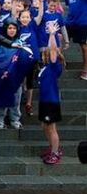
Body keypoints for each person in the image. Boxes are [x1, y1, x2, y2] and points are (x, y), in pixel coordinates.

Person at [38, 22, 64, 165]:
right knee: (44, 125)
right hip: (44, 100)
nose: (44, 52)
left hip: (51, 101)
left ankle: (55, 152)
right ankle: (52, 147)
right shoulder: (45, 67)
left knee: (51, 127)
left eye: (45, 52)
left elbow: (53, 49)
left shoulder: (54, 66)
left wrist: (52, 34)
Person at [63, 0, 87, 80]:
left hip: (83, 22)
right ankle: (60, 65)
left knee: (84, 46)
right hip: (70, 21)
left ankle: (85, 70)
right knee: (59, 39)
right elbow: (69, 4)